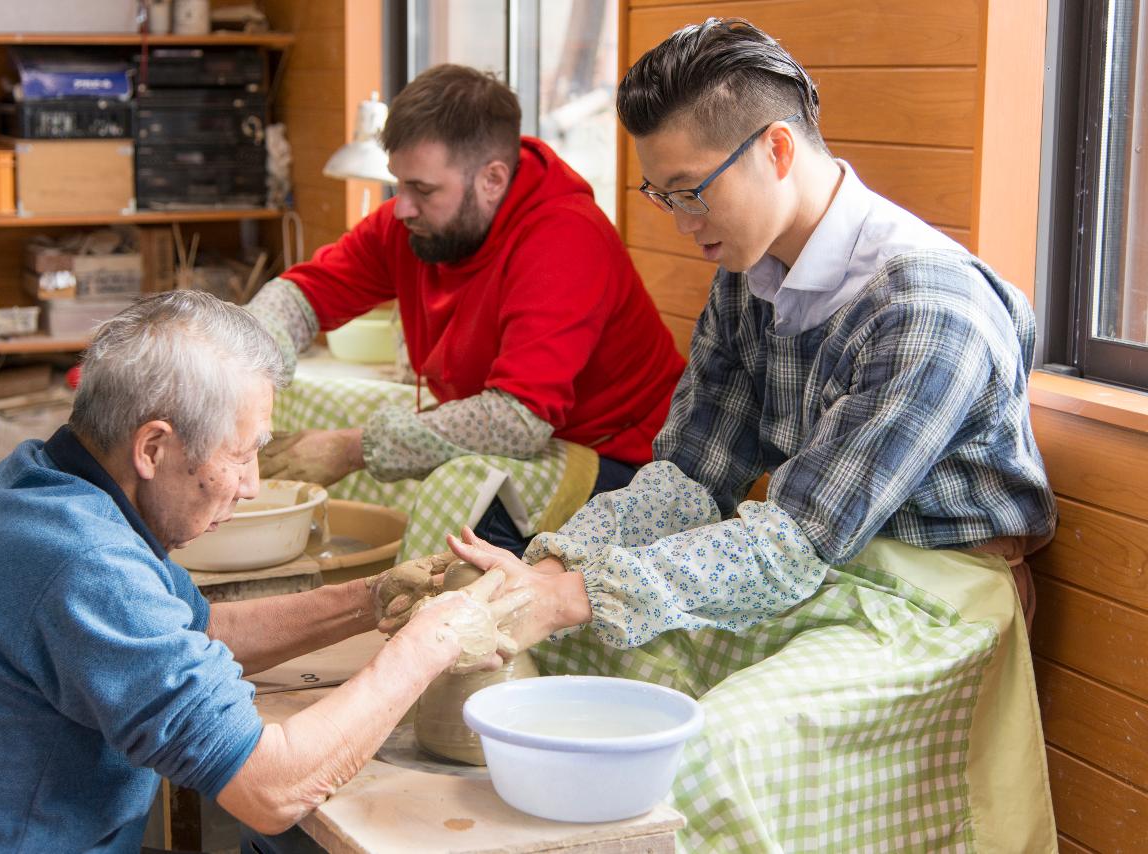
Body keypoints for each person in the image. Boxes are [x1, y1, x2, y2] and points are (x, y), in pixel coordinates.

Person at [446, 18, 1059, 852]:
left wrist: (571, 594)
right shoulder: (747, 283)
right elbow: (688, 480)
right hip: (816, 567)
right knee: (580, 659)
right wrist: (549, 567)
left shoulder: (926, 309)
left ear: (775, 149)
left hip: (931, 604)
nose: (677, 219)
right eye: (661, 195)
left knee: (703, 753)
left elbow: (795, 543)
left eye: (691, 189)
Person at [0, 291, 526, 853]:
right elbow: (271, 789)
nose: (251, 485)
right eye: (240, 456)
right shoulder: (86, 564)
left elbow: (198, 629)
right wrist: (432, 643)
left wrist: (371, 599)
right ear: (152, 447)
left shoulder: (36, 480)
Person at [248, 63, 685, 555]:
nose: (402, 207)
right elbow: (302, 294)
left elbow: (516, 421)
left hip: (626, 462)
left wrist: (350, 449)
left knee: (465, 513)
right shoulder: (414, 223)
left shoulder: (564, 238)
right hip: (532, 439)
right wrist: (244, 367)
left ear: (493, 179)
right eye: (399, 184)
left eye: (424, 189)